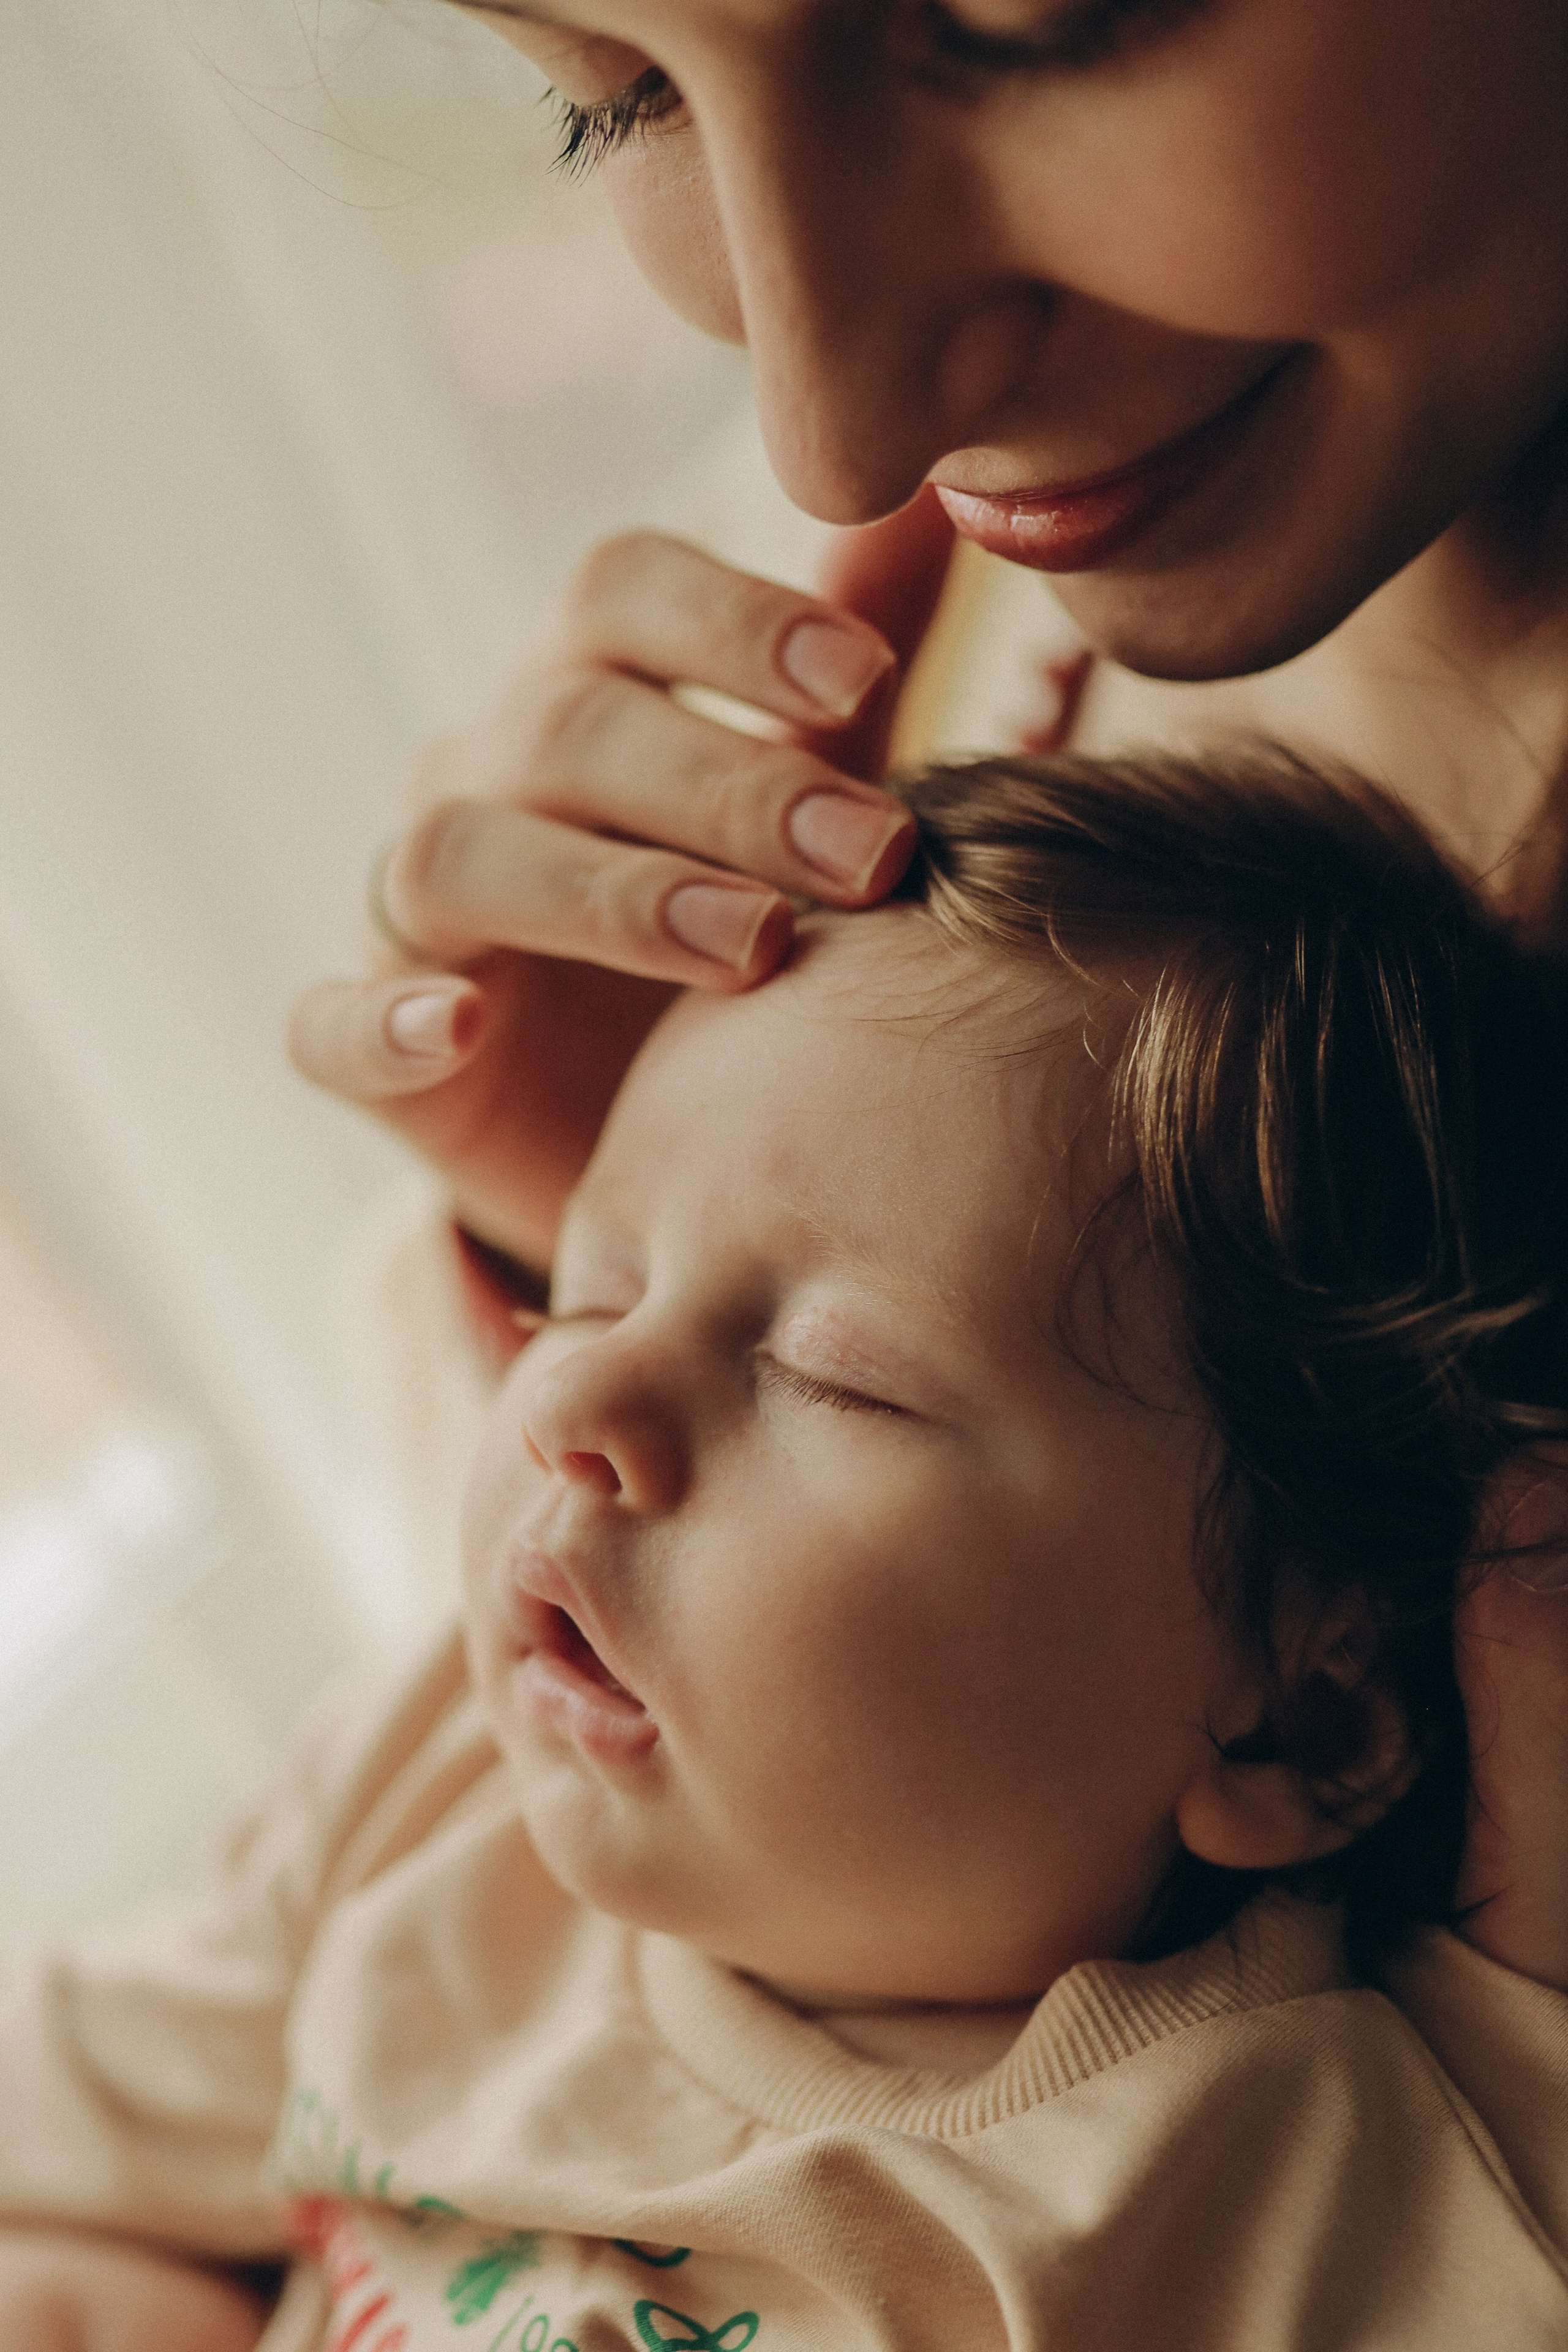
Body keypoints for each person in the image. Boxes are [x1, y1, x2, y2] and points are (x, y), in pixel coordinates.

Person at [284, 0, 1568, 1999]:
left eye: (1044, 21)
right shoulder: (914, 604)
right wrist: (591, 1209)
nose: (830, 424)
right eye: (612, 97)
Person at [3, 751, 1566, 2351]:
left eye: (834, 1371)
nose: (577, 1393)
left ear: (1302, 1714)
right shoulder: (431, 1793)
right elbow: (51, 2124)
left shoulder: (1255, 2205)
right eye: (591, 1284)